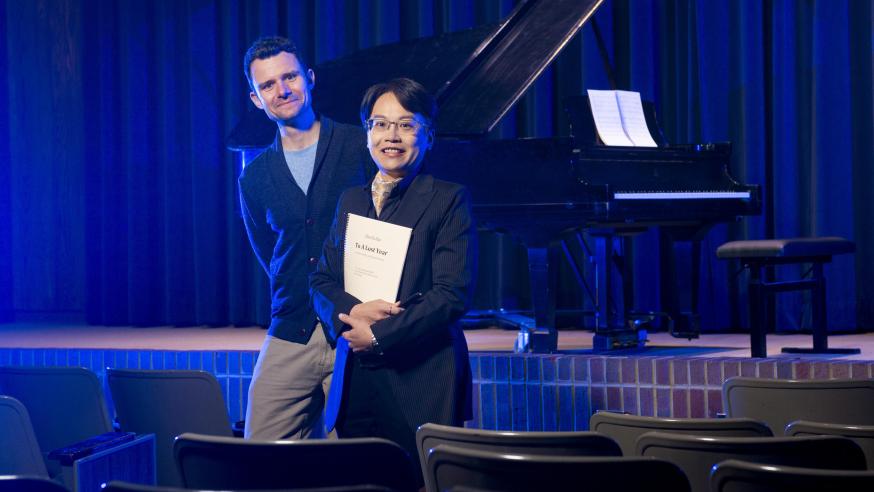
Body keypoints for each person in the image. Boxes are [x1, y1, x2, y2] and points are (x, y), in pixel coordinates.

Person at [310, 78, 476, 481]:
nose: (392, 136)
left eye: (406, 124)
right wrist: (353, 314)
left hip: (420, 376)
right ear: (367, 134)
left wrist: (380, 335)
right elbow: (322, 279)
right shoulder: (351, 199)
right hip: (357, 376)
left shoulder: (448, 198)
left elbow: (451, 293)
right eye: (380, 124)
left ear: (428, 135)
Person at [238, 36, 373, 440]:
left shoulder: (359, 146)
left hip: (354, 328)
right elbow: (270, 252)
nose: (282, 90)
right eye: (268, 85)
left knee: (353, 460)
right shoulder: (254, 176)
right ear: (256, 98)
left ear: (309, 78)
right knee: (258, 456)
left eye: (290, 76)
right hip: (291, 327)